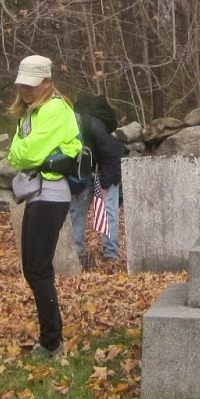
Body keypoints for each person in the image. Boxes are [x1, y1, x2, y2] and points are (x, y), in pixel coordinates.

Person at [6, 55, 81, 358]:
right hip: (38, 195)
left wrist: (23, 151)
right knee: (32, 268)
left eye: (32, 84)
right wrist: (23, 151)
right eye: (22, 84)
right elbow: (16, 154)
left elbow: (26, 153)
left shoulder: (53, 109)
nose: (25, 89)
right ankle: (51, 337)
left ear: (48, 83)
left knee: (38, 269)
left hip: (51, 194)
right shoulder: (30, 114)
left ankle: (52, 341)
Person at [68, 94, 128, 270]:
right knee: (76, 209)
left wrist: (105, 183)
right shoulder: (72, 126)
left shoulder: (92, 124)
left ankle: (111, 255)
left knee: (108, 210)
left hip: (106, 168)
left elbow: (112, 153)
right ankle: (77, 253)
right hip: (84, 171)